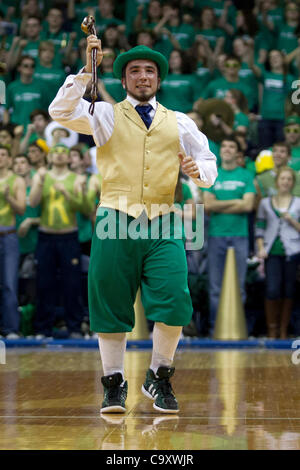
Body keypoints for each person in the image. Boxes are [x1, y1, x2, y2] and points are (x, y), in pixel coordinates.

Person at [49, 41, 217, 414]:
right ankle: (113, 383)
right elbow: (59, 110)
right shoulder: (104, 114)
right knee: (110, 303)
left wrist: (198, 173)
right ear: (124, 79)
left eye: (150, 71)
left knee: (174, 300)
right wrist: (85, 73)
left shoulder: (179, 120)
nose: (143, 76)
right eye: (135, 71)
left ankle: (159, 375)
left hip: (163, 219)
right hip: (114, 217)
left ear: (159, 79)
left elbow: (208, 161)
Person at [29, 144, 86, 339]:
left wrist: (68, 192)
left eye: (64, 153)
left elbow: (84, 207)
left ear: (69, 158)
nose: (60, 156)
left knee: (72, 284)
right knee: (44, 283)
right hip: (46, 237)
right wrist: (38, 182)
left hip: (68, 236)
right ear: (50, 156)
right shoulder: (41, 176)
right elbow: (33, 202)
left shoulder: (77, 178)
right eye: (56, 153)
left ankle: (75, 327)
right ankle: (42, 328)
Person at [202, 138, 256, 335]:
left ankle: (236, 330)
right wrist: (237, 202)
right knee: (215, 287)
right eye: (224, 146)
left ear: (237, 153)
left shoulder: (246, 175)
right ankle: (216, 329)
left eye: (231, 146)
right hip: (216, 235)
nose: (227, 149)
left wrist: (220, 204)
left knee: (238, 286)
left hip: (240, 236)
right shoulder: (212, 174)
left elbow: (249, 205)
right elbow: (207, 205)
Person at [256, 166, 300, 339]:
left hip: (293, 250)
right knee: (272, 289)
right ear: (277, 181)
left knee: (289, 289)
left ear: (293, 183)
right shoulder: (265, 202)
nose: (286, 182)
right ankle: (271, 328)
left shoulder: (298, 202)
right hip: (271, 250)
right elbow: (259, 226)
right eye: (283, 179)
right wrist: (260, 247)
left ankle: (283, 329)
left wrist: (292, 220)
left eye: (289, 179)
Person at [0, 145, 26, 338]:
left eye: (3, 155)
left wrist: (8, 196)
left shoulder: (16, 180)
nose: (0, 158)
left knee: (9, 283)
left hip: (8, 235)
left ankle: (11, 329)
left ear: (9, 159)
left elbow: (21, 209)